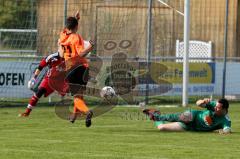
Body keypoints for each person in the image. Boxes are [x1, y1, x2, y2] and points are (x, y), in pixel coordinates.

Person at [58, 11, 94, 127]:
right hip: (82, 68)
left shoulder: (62, 36)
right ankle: (75, 115)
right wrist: (90, 47)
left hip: (71, 68)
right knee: (79, 95)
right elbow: (80, 54)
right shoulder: (76, 37)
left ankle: (87, 112)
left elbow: (68, 28)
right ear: (77, 27)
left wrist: (75, 19)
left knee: (77, 97)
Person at [143, 98, 231, 134]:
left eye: (218, 108)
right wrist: (203, 101)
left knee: (161, 128)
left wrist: (224, 132)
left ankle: (156, 114)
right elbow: (198, 103)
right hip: (193, 115)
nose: (215, 108)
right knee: (183, 117)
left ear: (224, 109)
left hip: (191, 128)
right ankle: (156, 116)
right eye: (215, 106)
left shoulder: (225, 120)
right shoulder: (213, 105)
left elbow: (227, 129)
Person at [20, 52, 66, 117]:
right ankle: (27, 112)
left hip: (61, 80)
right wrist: (34, 78)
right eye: (61, 46)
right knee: (39, 92)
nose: (63, 48)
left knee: (73, 94)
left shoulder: (70, 57)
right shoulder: (52, 57)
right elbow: (40, 67)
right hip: (49, 79)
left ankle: (76, 111)